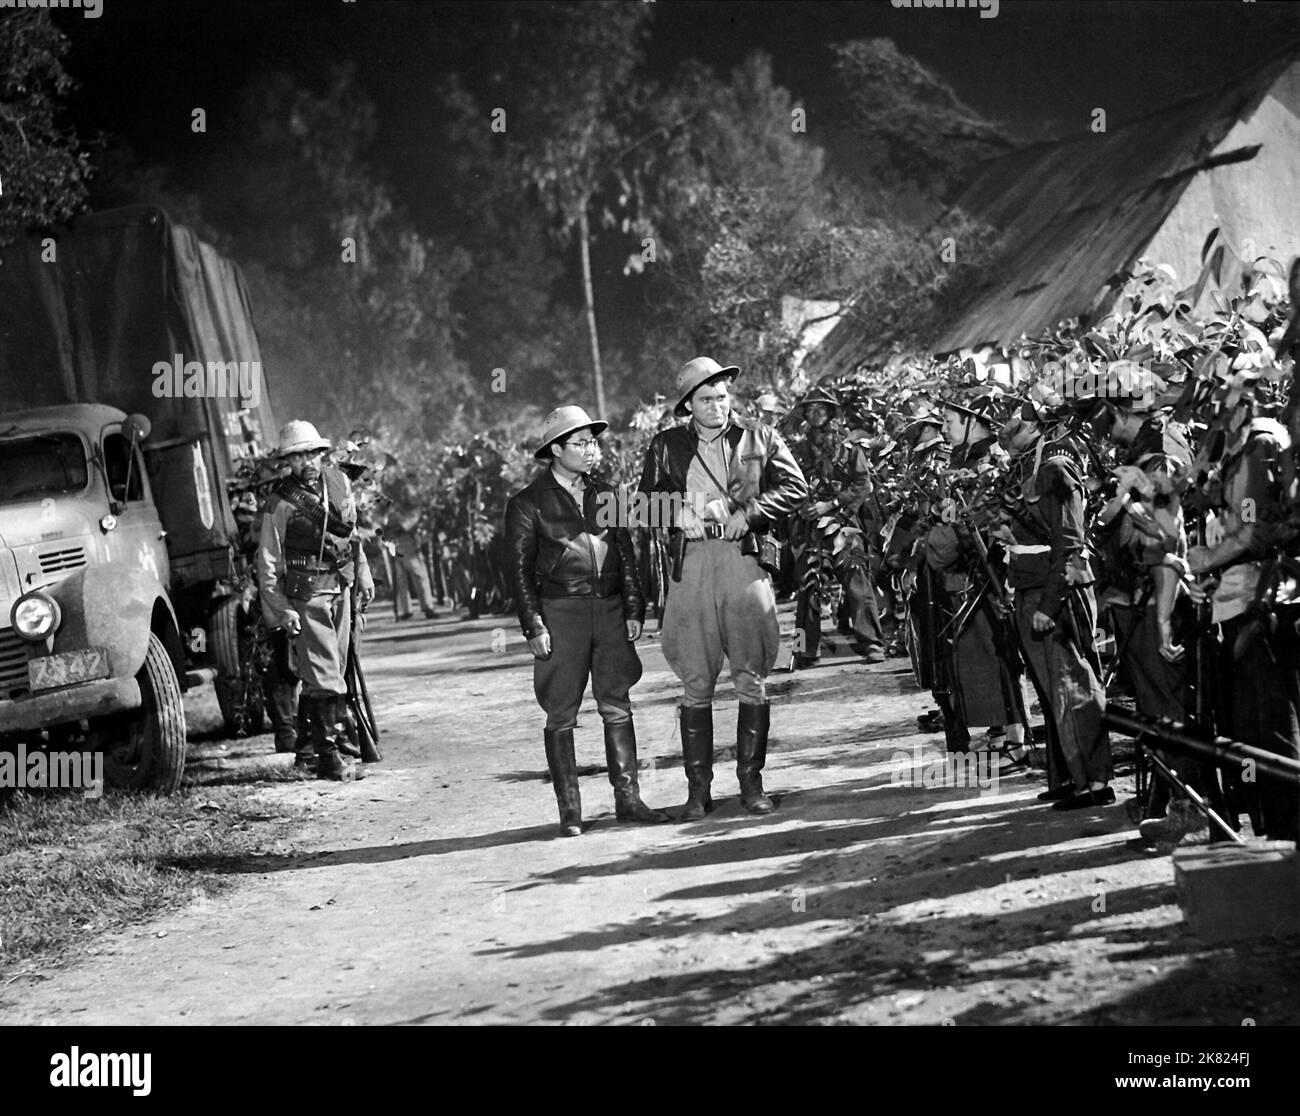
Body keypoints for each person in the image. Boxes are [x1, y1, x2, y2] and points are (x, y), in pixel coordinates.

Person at [637, 356, 808, 818]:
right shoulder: (665, 446)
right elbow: (641, 506)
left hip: (742, 561)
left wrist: (747, 515)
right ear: (689, 405)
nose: (717, 406)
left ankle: (751, 785)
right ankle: (699, 791)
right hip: (691, 567)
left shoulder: (760, 437)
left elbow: (797, 489)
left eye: (722, 397)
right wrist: (676, 514)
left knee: (751, 675)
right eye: (707, 399)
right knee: (696, 680)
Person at [504, 405, 667, 837]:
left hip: (610, 611)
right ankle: (570, 811)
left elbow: (626, 554)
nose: (591, 450)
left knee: (617, 703)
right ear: (556, 450)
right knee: (561, 712)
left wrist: (634, 607)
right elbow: (518, 572)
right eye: (581, 443)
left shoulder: (607, 494)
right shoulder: (528, 504)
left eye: (594, 442)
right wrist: (533, 625)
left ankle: (628, 801)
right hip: (561, 614)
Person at [997, 398, 1113, 810]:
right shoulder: (1033, 465)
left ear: (1034, 426)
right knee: (1054, 691)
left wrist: (1049, 604)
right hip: (1035, 589)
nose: (1006, 430)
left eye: (1014, 422)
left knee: (1073, 689)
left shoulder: (1054, 467)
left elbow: (1070, 543)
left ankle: (1094, 783)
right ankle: (1072, 777)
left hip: (1056, 593)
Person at [258, 420, 375, 782]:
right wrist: (281, 609)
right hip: (306, 595)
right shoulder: (280, 503)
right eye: (297, 456)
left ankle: (310, 750)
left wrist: (364, 573)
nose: (306, 461)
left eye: (311, 453)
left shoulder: (339, 483)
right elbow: (268, 561)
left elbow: (352, 534)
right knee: (324, 671)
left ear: (321, 453)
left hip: (341, 584)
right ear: (287, 461)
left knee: (333, 668)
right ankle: (330, 755)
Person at [788, 385, 885, 667]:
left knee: (857, 583)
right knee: (808, 589)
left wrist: (831, 505)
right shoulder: (798, 450)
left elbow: (862, 484)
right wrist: (802, 507)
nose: (815, 413)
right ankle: (801, 651)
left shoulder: (849, 447)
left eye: (821, 408)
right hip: (810, 528)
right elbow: (788, 484)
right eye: (810, 409)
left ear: (831, 413)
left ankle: (872, 644)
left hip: (843, 525)